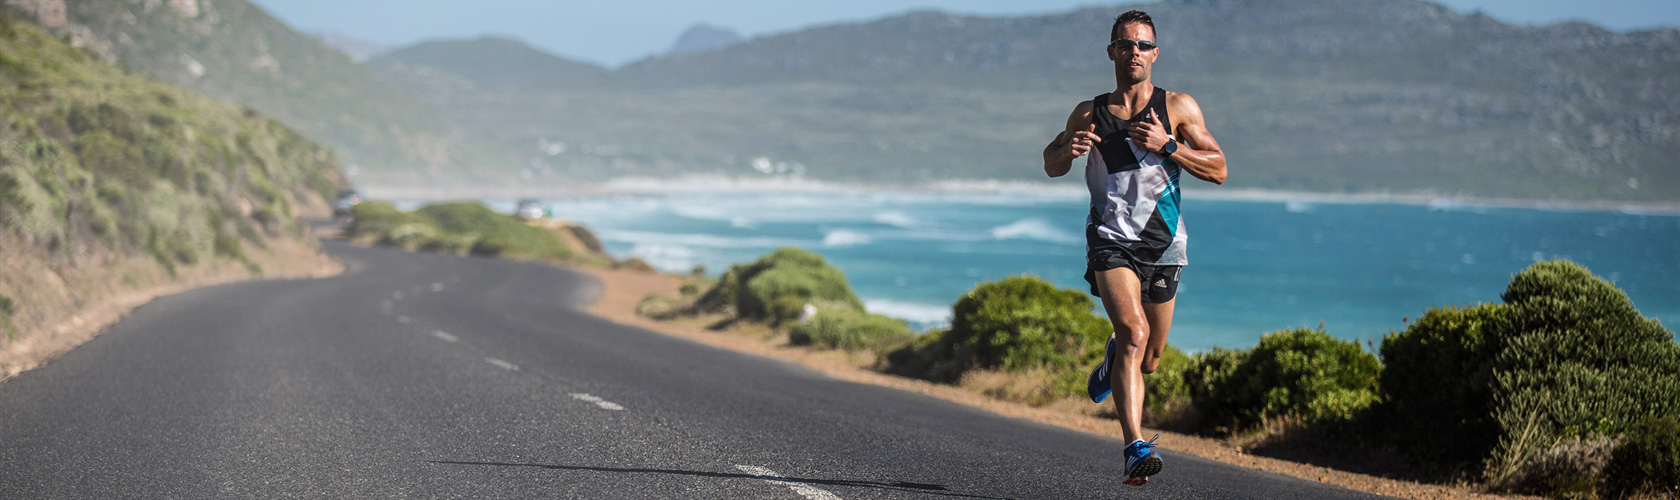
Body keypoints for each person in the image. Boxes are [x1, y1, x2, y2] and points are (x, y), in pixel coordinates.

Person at [1040, 9, 1227, 487]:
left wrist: (1169, 146)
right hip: (1110, 240)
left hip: (1164, 244)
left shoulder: (1178, 108)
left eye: (1143, 45)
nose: (1135, 52)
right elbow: (1051, 162)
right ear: (1112, 52)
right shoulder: (1090, 111)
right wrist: (1069, 150)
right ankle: (1133, 446)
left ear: (1155, 53)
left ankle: (1111, 361)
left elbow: (1219, 168)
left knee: (1149, 357)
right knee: (1134, 331)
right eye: (1126, 44)